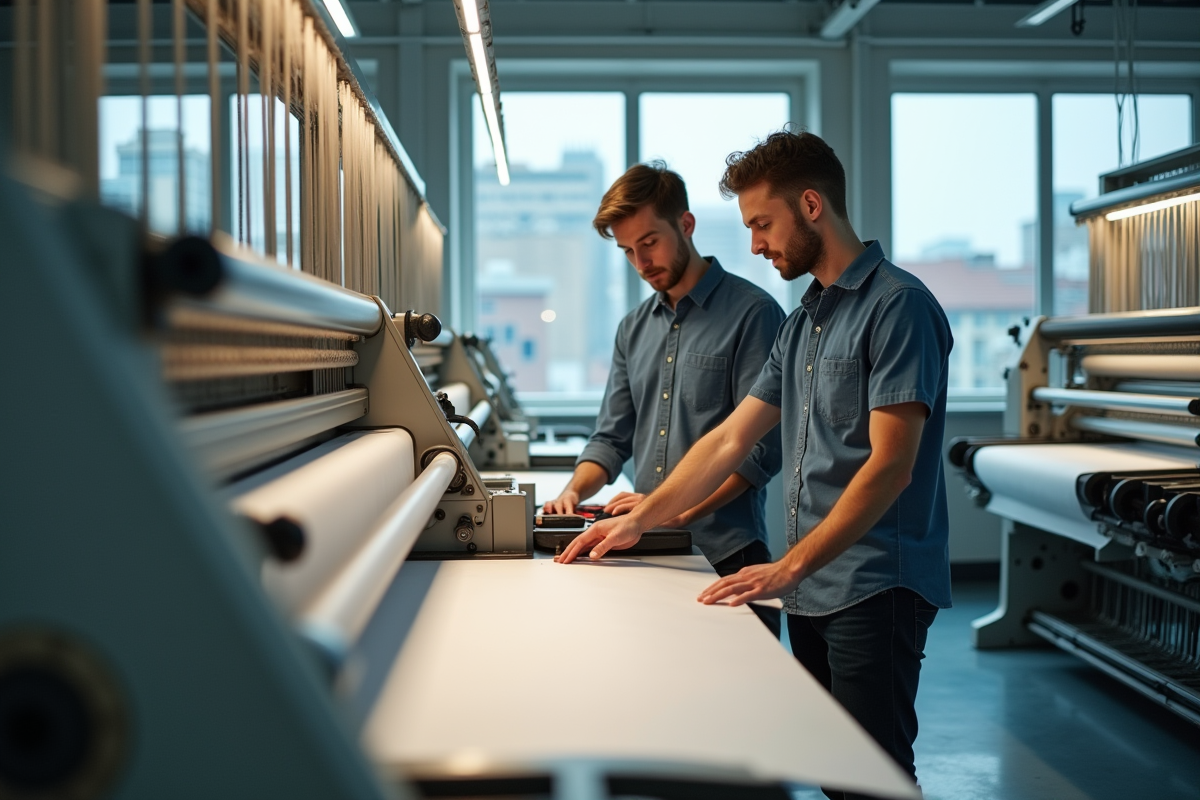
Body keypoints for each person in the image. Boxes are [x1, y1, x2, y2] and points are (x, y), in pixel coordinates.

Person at [556, 132, 953, 797]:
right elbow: (726, 441)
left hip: (874, 584)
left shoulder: (897, 305)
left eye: (762, 224)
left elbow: (891, 467)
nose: (755, 244)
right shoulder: (804, 323)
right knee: (837, 772)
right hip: (808, 586)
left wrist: (789, 563)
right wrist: (640, 519)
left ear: (810, 205)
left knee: (876, 778)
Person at [544, 161, 785, 635]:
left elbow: (757, 453)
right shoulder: (632, 329)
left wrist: (666, 510)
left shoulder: (754, 315)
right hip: (645, 551)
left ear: (686, 224)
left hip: (725, 553)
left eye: (649, 243)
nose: (641, 263)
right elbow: (611, 438)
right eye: (628, 251)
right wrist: (573, 490)